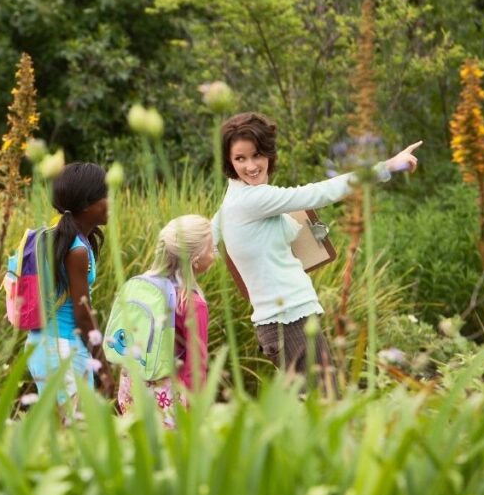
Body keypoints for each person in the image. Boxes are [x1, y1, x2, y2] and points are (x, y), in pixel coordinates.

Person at [212, 112, 420, 392]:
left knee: (315, 414)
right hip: (289, 322)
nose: (251, 166)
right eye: (240, 159)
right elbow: (320, 192)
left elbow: (206, 236)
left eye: (257, 155)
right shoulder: (251, 200)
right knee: (325, 408)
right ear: (229, 162)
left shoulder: (236, 198)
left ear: (269, 153)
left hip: (289, 320)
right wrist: (388, 166)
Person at [27, 162, 113, 405]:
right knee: (76, 435)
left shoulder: (53, 237)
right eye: (106, 195)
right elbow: (82, 314)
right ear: (86, 204)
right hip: (63, 349)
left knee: (60, 433)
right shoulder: (76, 250)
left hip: (40, 345)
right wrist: (103, 368)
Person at [116, 215, 214, 424]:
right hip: (168, 398)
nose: (214, 254)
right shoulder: (192, 303)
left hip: (132, 387)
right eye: (211, 248)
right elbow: (196, 366)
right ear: (195, 260)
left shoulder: (142, 288)